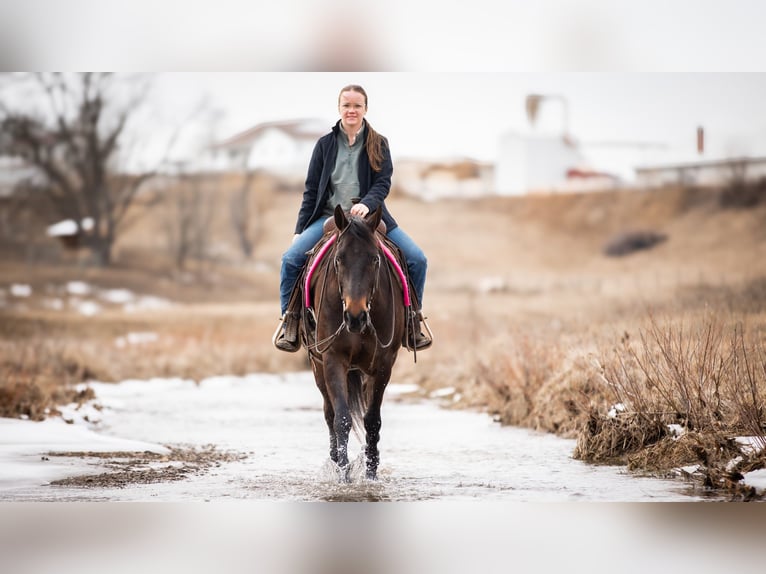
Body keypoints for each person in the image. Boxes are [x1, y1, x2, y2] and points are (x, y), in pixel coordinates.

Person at [275, 84, 431, 353]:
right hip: (328, 218)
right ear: (339, 108)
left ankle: (411, 322)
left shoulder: (378, 143)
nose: (351, 110)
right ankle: (291, 321)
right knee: (290, 260)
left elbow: (383, 183)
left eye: (357, 105)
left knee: (417, 259)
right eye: (346, 105)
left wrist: (368, 205)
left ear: (365, 109)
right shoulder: (324, 145)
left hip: (369, 218)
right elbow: (311, 190)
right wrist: (300, 229)